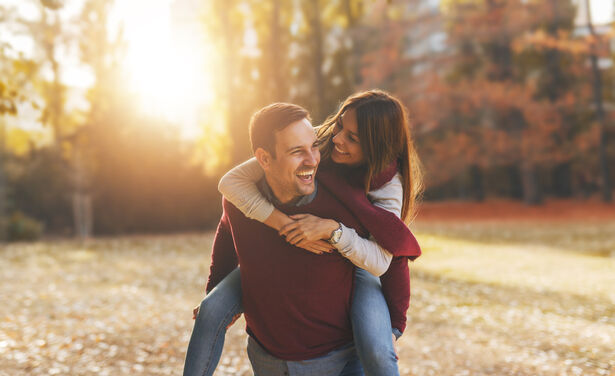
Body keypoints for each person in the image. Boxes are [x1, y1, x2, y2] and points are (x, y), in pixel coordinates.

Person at [184, 91, 422, 376]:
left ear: (375, 147)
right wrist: (284, 225)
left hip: (363, 257)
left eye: (352, 138)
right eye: (340, 127)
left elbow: (384, 258)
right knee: (210, 311)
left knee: (377, 348)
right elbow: (230, 188)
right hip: (274, 330)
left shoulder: (387, 187)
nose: (337, 139)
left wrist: (333, 231)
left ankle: (389, 334)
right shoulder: (320, 140)